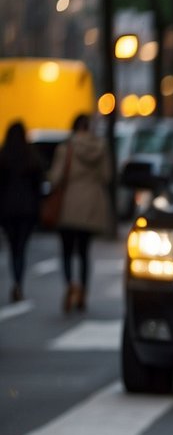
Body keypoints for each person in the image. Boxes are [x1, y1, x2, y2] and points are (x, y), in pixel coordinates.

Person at [47, 113, 112, 312]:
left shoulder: (66, 148)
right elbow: (106, 176)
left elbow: (56, 177)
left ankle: (70, 285)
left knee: (67, 251)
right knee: (84, 252)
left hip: (69, 204)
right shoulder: (100, 148)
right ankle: (83, 291)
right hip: (91, 205)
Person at [0, 120, 45, 302]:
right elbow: (38, 187)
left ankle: (16, 281)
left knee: (13, 248)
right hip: (26, 209)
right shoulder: (31, 157)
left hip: (7, 209)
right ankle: (19, 282)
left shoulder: (3, 157)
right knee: (21, 248)